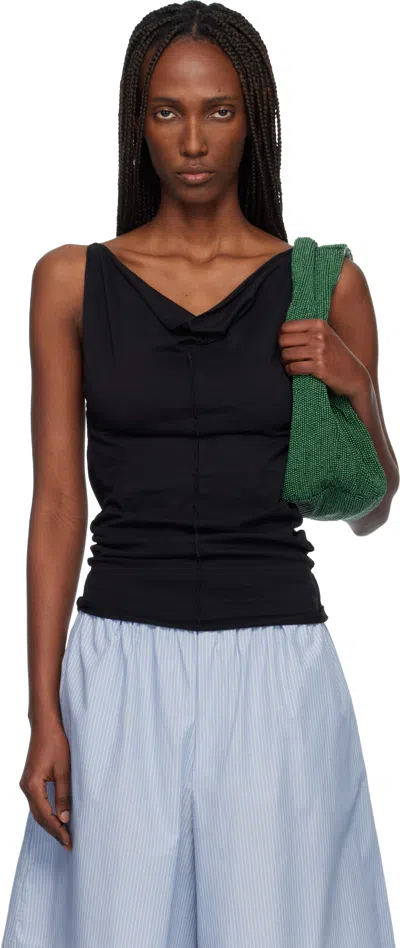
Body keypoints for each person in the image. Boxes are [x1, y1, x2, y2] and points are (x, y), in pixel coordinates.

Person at [2, 2, 399, 946]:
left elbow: (372, 508)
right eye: (167, 111)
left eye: (219, 111)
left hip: (278, 665)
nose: (193, 140)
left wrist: (357, 389)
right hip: (117, 664)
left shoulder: (324, 284)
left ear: (254, 119)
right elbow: (56, 506)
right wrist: (44, 712)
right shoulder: (69, 280)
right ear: (136, 122)